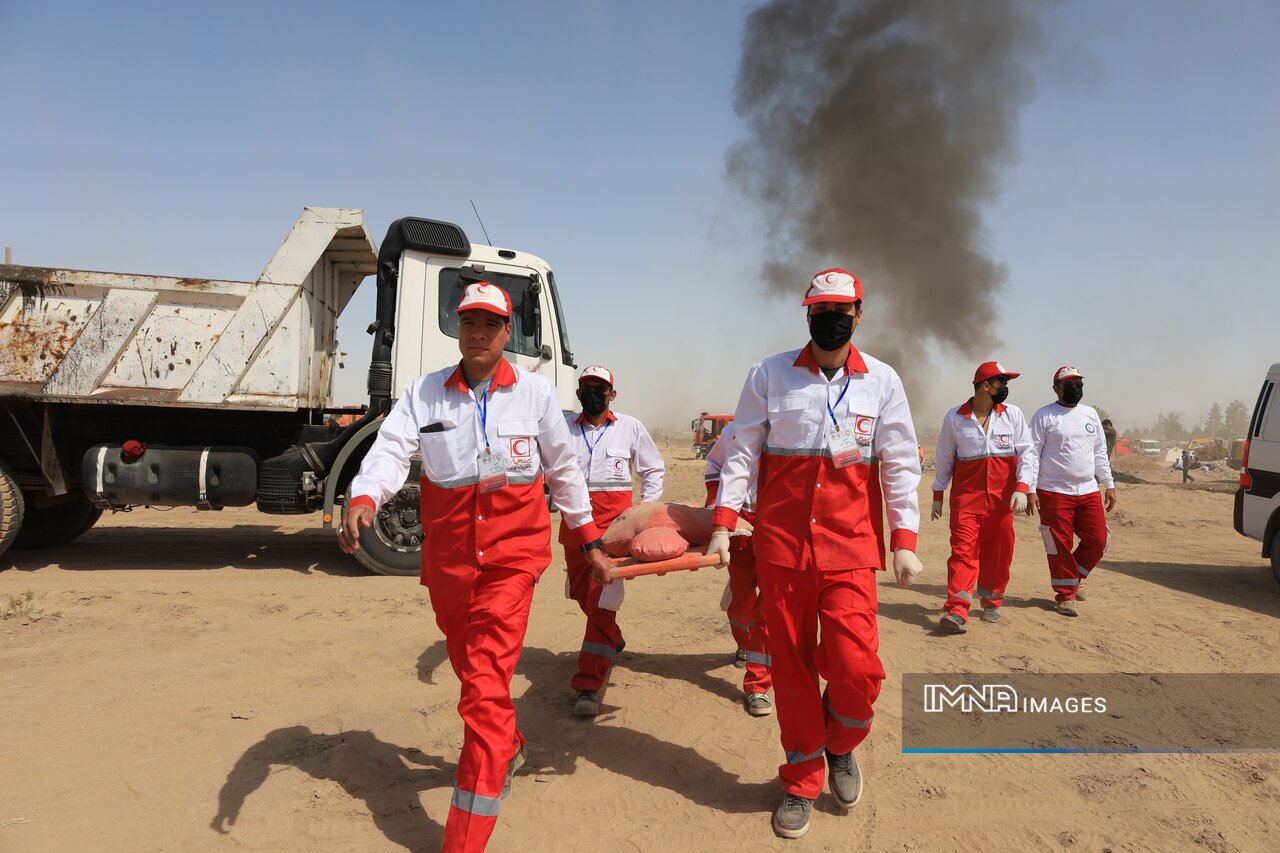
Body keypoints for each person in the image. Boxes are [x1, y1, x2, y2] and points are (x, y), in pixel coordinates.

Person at [339, 282, 614, 852]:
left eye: (490, 324)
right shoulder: (426, 394)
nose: (478, 334)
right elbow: (390, 449)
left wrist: (586, 537)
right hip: (449, 566)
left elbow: (563, 469)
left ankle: (465, 837)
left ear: (507, 331)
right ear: (457, 329)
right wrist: (366, 496)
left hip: (512, 560)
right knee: (474, 673)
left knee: (482, 688)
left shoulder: (536, 395)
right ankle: (510, 744)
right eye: (469, 323)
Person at [707, 268, 923, 839]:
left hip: (851, 550)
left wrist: (904, 540)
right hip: (782, 550)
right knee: (795, 673)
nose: (831, 319)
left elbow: (900, 462)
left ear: (859, 312)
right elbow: (740, 452)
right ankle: (802, 777)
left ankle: (841, 742)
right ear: (806, 315)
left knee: (857, 669)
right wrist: (725, 522)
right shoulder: (769, 374)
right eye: (820, 310)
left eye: (842, 310)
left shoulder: (882, 381)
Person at [561, 364, 665, 717]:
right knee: (581, 591)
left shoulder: (630, 427)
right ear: (578, 393)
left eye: (600, 388)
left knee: (599, 600)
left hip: (613, 529)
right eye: (587, 387)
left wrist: (643, 513)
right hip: (573, 526)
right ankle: (613, 637)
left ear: (612, 394)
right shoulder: (563, 429)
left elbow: (653, 469)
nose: (593, 393)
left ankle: (588, 683)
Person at [930, 362, 1034, 633]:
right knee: (962, 553)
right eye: (1002, 383)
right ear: (985, 385)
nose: (1006, 388)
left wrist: (1022, 488)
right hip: (966, 500)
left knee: (998, 554)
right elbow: (944, 457)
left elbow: (1027, 454)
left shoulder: (1013, 415)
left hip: (1001, 503)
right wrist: (938, 493)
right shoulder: (954, 418)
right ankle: (957, 609)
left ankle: (991, 601)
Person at [1025, 365, 1116, 617]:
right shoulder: (1045, 416)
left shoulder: (1090, 414)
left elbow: (1099, 452)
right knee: (1059, 545)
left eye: (1079, 384)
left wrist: (1109, 484)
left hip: (1088, 490)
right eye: (1069, 384)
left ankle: (1074, 577)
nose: (1076, 389)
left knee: (1099, 540)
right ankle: (1065, 596)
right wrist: (1030, 488)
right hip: (1053, 491)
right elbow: (1031, 454)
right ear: (1056, 388)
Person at [704, 421, 772, 716]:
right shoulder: (733, 431)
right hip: (741, 525)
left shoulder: (794, 427)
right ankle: (744, 642)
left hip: (778, 526)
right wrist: (715, 508)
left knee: (768, 609)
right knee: (743, 603)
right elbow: (714, 465)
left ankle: (757, 685)